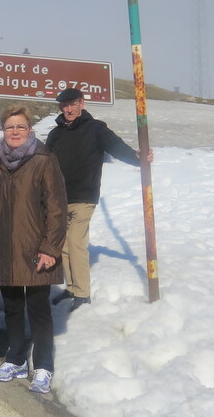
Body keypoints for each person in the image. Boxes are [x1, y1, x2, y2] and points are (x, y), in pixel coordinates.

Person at [45, 88, 152, 311]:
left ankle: (82, 294)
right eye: (65, 105)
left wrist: (137, 158)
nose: (69, 109)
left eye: (73, 104)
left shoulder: (96, 128)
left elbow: (116, 146)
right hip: (59, 198)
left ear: (81, 104)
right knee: (64, 245)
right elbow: (45, 164)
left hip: (84, 197)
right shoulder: (55, 134)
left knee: (76, 243)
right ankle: (72, 288)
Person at [0, 106, 68, 394]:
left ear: (30, 130)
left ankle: (43, 366)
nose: (15, 131)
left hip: (37, 248)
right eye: (10, 127)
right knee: (11, 307)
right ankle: (16, 359)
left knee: (38, 310)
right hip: (5, 248)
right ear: (3, 130)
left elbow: (57, 208)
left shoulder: (44, 159)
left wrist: (50, 248)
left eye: (20, 126)